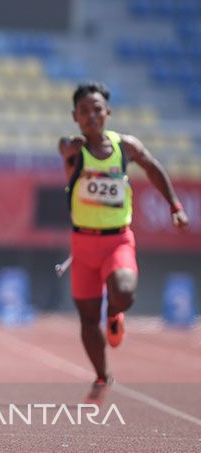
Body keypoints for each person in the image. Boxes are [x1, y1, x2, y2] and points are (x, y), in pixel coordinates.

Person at [59, 82, 189, 404]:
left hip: (117, 240)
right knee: (88, 320)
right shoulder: (74, 149)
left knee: (125, 293)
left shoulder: (125, 147)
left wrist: (175, 205)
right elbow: (63, 148)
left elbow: (153, 168)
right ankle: (103, 376)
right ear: (75, 116)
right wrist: (68, 147)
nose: (92, 115)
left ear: (108, 112)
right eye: (84, 111)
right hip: (82, 245)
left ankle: (115, 314)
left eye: (97, 109)